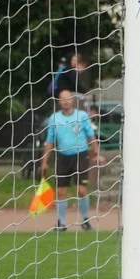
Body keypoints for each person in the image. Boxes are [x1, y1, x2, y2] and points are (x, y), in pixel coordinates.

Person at [41, 90, 105, 231]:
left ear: (72, 100)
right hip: (62, 157)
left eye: (68, 99)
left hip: (80, 155)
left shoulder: (81, 116)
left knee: (81, 190)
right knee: (61, 191)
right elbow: (49, 141)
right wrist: (44, 161)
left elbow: (91, 135)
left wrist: (96, 153)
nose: (66, 101)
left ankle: (85, 220)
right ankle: (61, 223)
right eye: (62, 99)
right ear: (58, 101)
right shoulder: (54, 118)